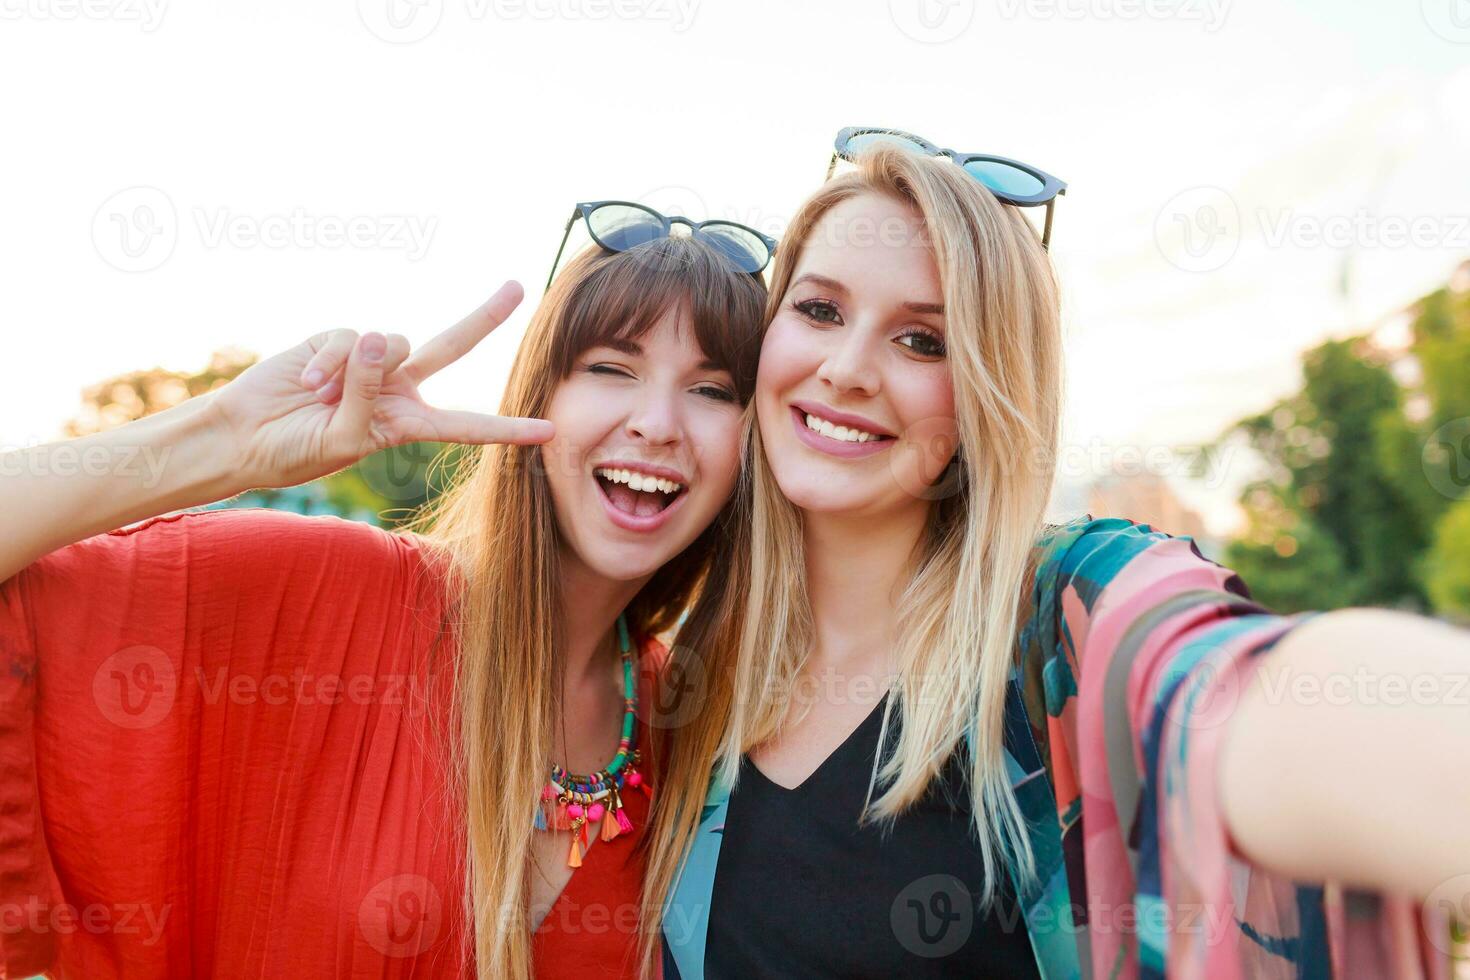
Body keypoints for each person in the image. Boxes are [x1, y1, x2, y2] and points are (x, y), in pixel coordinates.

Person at [644, 142, 1468, 978]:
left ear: (985, 392)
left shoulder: (1064, 614)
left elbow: (1239, 690)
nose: (847, 369)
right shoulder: (691, 684)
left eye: (923, 340)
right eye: (820, 311)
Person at [0, 218, 767, 978]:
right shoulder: (324, 596)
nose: (658, 424)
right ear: (540, 394)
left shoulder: (695, 731)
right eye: (611, 368)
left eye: (711, 390)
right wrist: (223, 437)